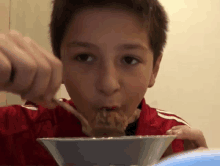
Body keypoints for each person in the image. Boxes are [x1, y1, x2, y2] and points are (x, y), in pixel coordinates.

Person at [0, 0, 207, 165]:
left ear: (154, 69)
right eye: (84, 57)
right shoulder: (17, 132)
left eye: (129, 60)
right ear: (59, 65)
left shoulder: (174, 142)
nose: (108, 84)